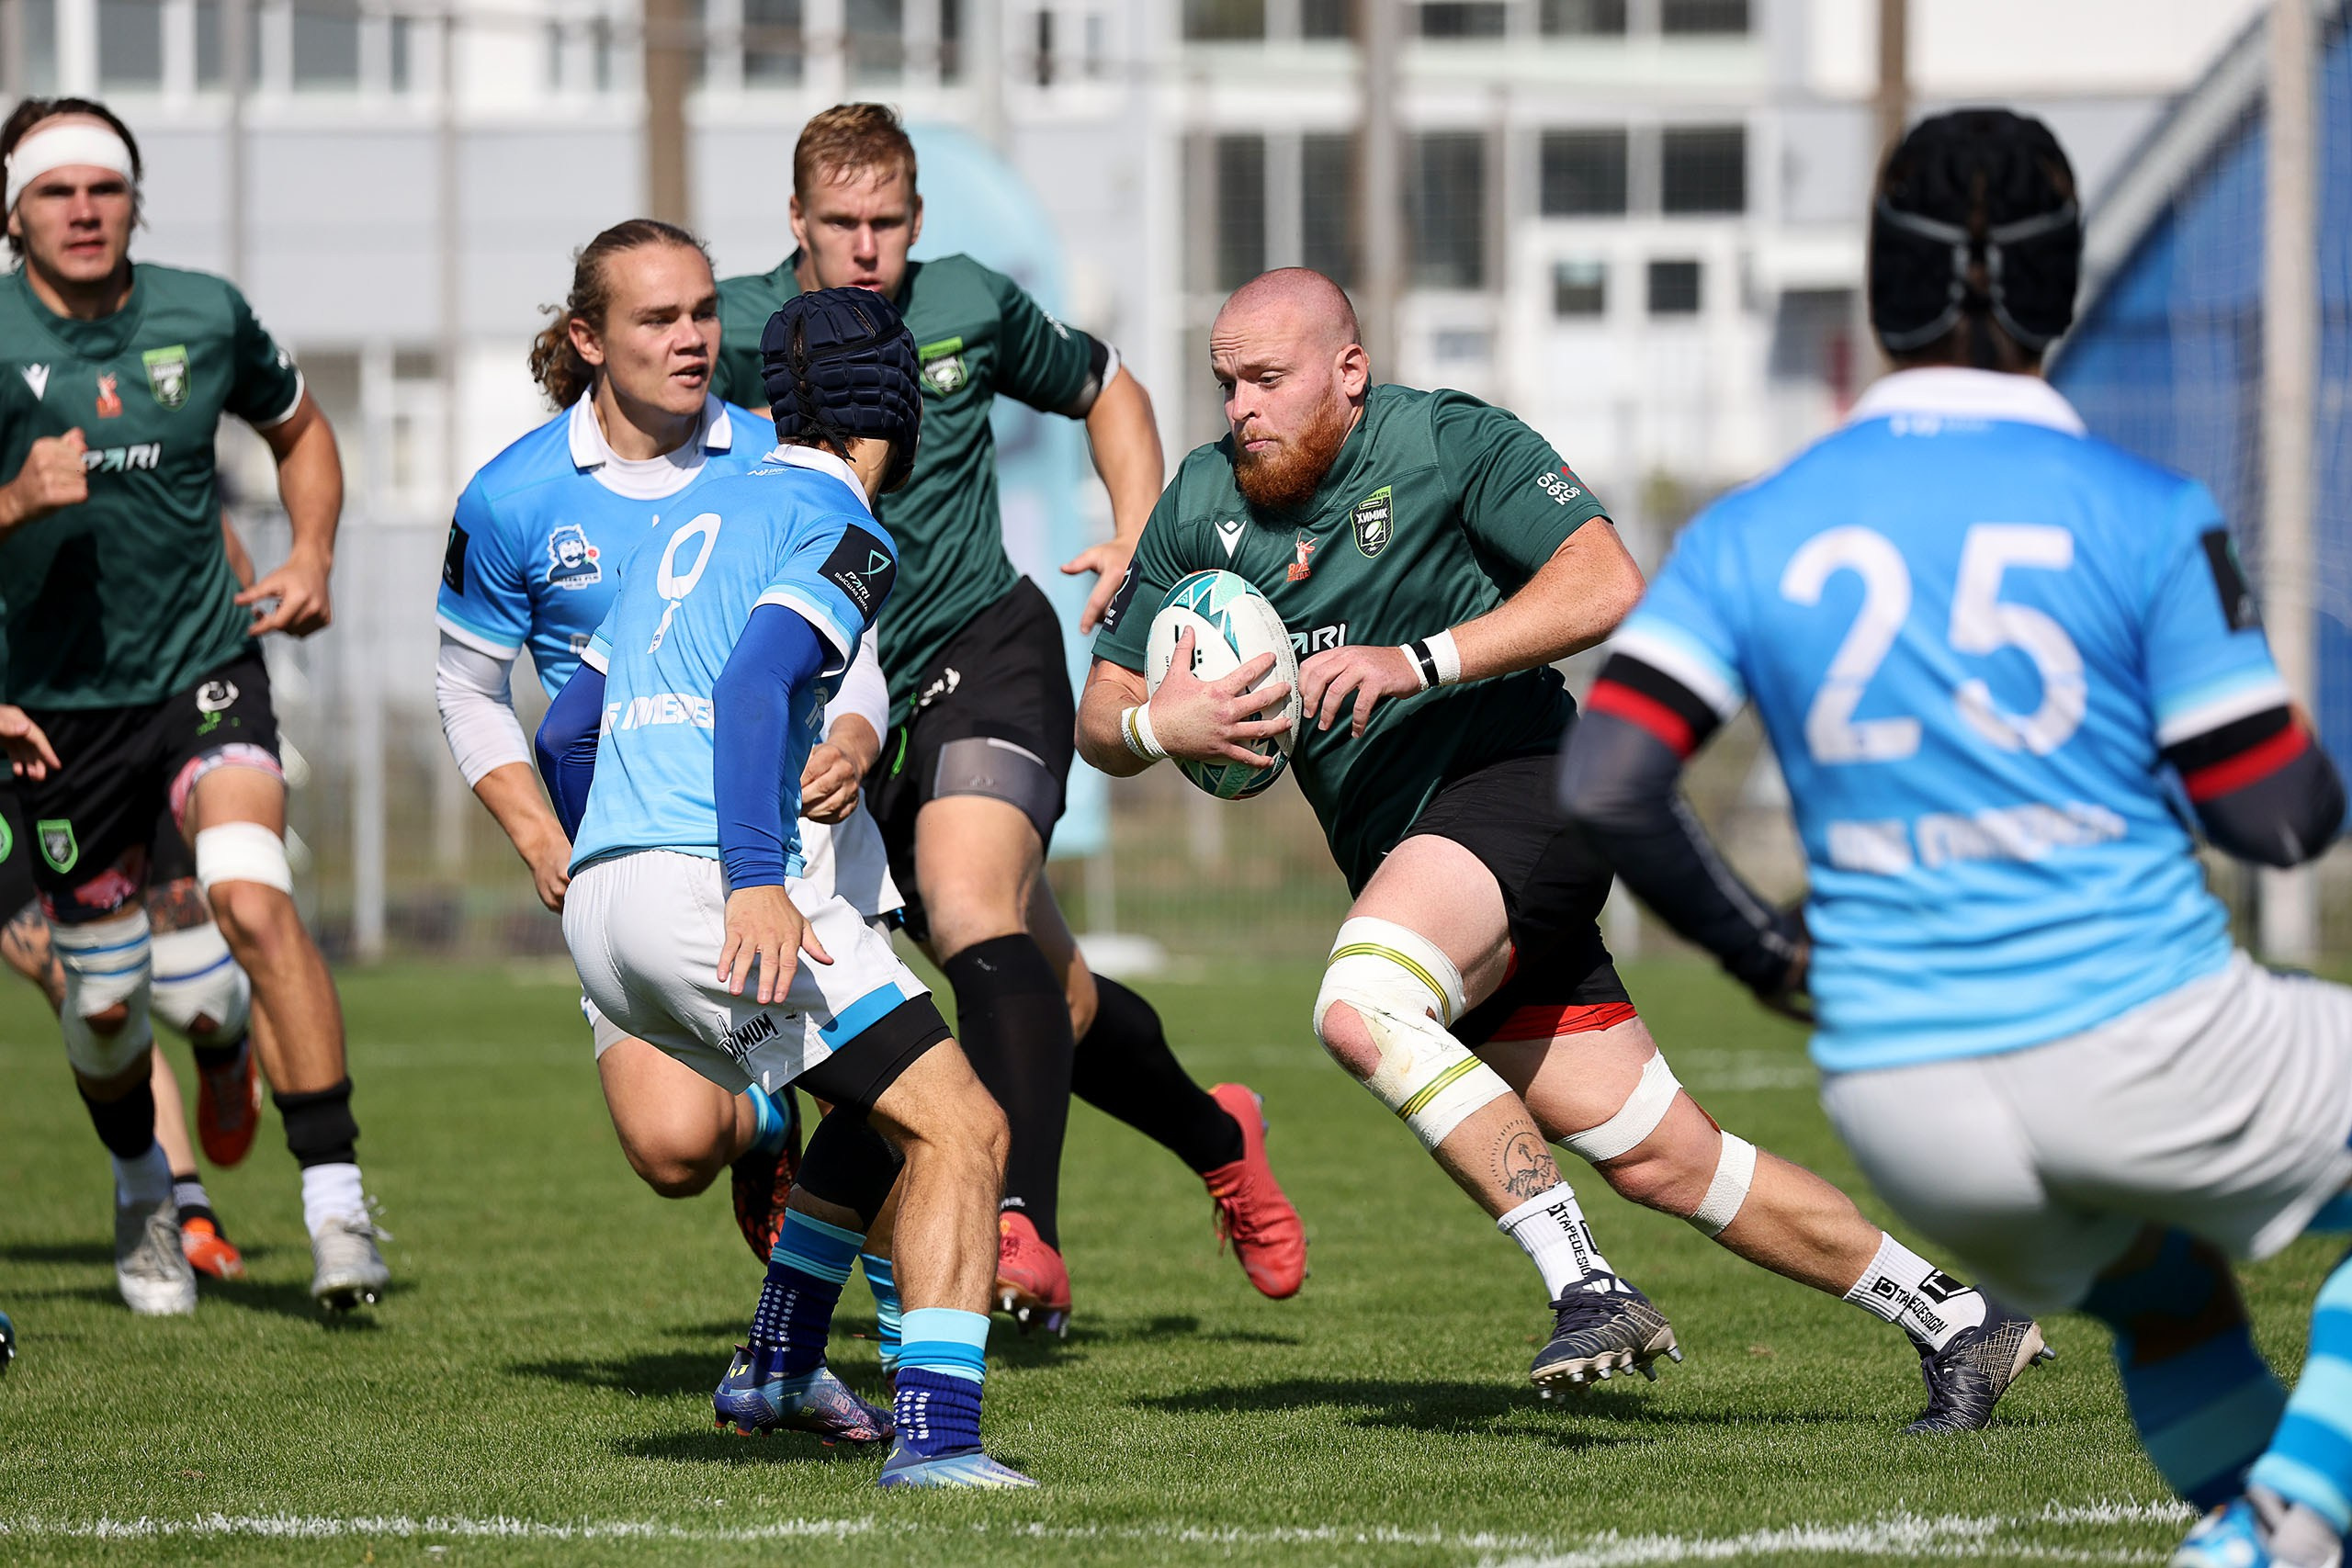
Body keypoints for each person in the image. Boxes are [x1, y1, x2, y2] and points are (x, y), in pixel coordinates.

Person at [1558, 109, 2352, 1567]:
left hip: (1903, 1099)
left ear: (1878, 289)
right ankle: (2286, 1522)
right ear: (2059, 290)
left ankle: (2259, 1530)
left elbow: (1607, 779)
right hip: (2137, 1028)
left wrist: (1766, 954)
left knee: (2169, 1287)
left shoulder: (1759, 524)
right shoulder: (2141, 511)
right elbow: (2285, 817)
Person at [1077, 265, 2046, 1431]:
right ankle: (1958, 1320)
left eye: (1268, 381)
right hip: (1424, 867)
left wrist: (1415, 660)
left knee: (1362, 1005)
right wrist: (1155, 724)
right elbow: (1103, 712)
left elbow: (1609, 583)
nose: (1242, 408)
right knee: (1663, 1157)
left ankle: (1587, 1284)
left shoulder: (1446, 443)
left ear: (1349, 369)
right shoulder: (1198, 505)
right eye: (1226, 382)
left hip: (1526, 791)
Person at [710, 105, 1304, 1332]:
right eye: (841, 223)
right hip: (837, 696)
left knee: (974, 907)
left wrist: (1140, 534)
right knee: (1052, 995)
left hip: (985, 644)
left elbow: (1109, 386)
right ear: (796, 222)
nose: (867, 245)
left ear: (918, 223)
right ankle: (1217, 1132)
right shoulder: (738, 330)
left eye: (887, 223)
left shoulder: (971, 299)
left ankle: (1018, 1222)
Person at [540, 285, 1032, 1488]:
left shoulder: (688, 513)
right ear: (897, 410)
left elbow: (564, 730)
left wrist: (615, 860)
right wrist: (751, 882)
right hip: (713, 893)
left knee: (875, 1107)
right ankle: (939, 1437)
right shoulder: (846, 525)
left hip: (604, 909)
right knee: (967, 1124)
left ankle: (774, 1359)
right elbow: (758, 686)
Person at [437, 218, 922, 1413]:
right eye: (658, 317)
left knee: (902, 1105)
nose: (694, 337)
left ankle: (909, 1360)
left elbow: (826, 640)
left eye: (705, 310)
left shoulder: (778, 450)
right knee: (672, 1149)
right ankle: (767, 1154)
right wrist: (552, 833)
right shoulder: (511, 496)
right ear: (589, 338)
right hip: (644, 849)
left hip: (789, 839)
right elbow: (471, 686)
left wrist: (857, 729)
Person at [0, 96, 385, 1313]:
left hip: (203, 671)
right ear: (14, 210)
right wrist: (12, 500)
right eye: (55, 190)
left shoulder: (203, 313)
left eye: (103, 187)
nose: (82, 209)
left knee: (252, 898)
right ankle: (140, 1186)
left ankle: (336, 1202)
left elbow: (301, 427)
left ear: (133, 199)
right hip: (52, 714)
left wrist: (313, 551)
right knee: (106, 1005)